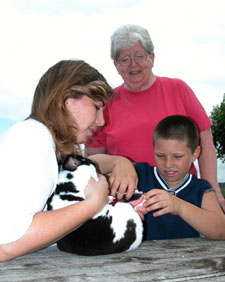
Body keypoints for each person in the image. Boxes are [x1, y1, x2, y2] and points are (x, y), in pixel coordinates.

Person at [0, 59, 138, 262]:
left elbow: (81, 163)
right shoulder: (33, 140)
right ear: (66, 99)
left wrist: (119, 162)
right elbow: (6, 244)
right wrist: (94, 204)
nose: (101, 120)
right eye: (97, 107)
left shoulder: (41, 139)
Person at [85, 24, 225, 213]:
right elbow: (93, 160)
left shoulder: (178, 89)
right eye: (124, 59)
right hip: (127, 206)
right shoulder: (105, 104)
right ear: (116, 66)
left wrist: (211, 189)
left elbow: (206, 140)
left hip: (183, 200)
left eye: (140, 56)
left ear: (152, 58)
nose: (133, 64)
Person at [133, 115, 225, 240]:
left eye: (177, 157)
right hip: (137, 259)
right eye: (160, 155)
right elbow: (99, 164)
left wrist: (180, 207)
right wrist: (119, 163)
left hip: (189, 258)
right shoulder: (138, 175)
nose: (168, 164)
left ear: (195, 154)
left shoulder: (201, 189)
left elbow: (221, 230)